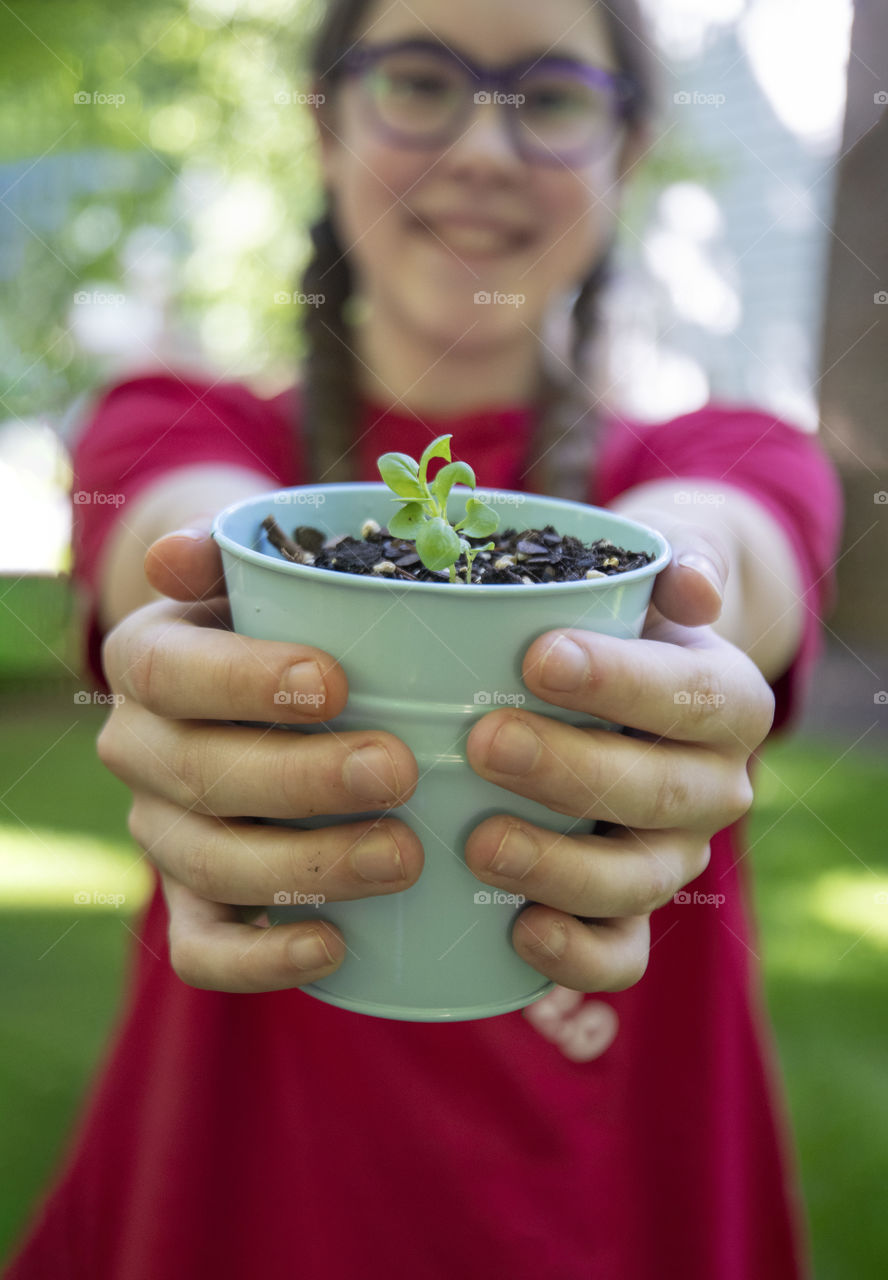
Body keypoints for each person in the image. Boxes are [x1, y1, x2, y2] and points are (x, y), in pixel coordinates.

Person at [5, 1, 842, 1277]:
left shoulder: (725, 453)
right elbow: (174, 528)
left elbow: (729, 538)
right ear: (325, 123)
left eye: (550, 97)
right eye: (417, 79)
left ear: (629, 149)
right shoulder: (176, 422)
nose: (487, 153)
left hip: (609, 1201)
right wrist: (208, 605)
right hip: (246, 1201)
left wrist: (676, 585)